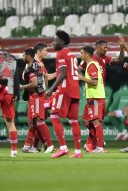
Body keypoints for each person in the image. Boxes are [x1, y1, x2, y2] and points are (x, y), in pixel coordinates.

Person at [79, 39, 124, 152]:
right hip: (92, 93)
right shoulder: (89, 59)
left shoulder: (103, 59)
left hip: (97, 94)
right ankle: (97, 141)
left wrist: (122, 48)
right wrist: (83, 79)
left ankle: (97, 144)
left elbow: (119, 60)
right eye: (105, 47)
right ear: (98, 48)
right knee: (86, 120)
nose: (106, 49)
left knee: (96, 121)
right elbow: (79, 70)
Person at [46, 30, 81, 158]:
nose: (52, 43)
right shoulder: (72, 54)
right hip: (75, 89)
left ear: (62, 41)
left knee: (54, 116)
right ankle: (77, 151)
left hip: (65, 90)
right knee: (73, 120)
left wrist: (51, 90)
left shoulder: (61, 53)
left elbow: (63, 73)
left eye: (55, 41)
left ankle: (63, 147)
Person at [20, 48, 54, 154]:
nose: (22, 57)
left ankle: (49, 145)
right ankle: (29, 146)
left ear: (29, 56)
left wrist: (22, 87)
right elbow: (44, 77)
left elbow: (35, 83)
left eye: (23, 55)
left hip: (37, 96)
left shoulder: (34, 67)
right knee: (33, 123)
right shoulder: (35, 66)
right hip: (32, 96)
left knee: (38, 121)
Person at [78, 46, 106, 155]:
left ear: (87, 54)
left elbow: (94, 82)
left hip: (96, 98)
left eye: (82, 53)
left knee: (96, 122)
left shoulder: (92, 65)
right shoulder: (90, 65)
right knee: (86, 120)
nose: (81, 55)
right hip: (91, 98)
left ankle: (100, 147)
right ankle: (95, 143)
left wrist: (81, 78)